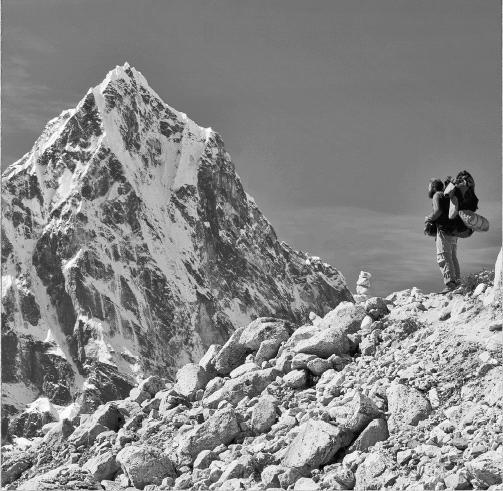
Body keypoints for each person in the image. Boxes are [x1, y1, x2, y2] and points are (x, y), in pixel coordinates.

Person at [425, 178, 460, 293]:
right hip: (454, 231)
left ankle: (450, 283)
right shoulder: (447, 195)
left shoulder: (437, 195)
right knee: (452, 256)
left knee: (443, 256)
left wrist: (429, 218)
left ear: (434, 187)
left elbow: (438, 211)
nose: (428, 189)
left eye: (429, 187)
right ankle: (458, 282)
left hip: (444, 230)